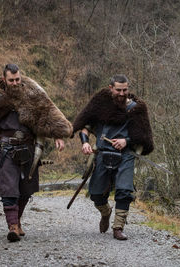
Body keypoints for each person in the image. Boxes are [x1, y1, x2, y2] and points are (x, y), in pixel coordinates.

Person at [0, 63, 72, 242]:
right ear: (4, 79)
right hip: (6, 148)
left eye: (18, 79)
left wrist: (58, 135)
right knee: (9, 190)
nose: (15, 83)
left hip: (29, 149)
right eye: (11, 80)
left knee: (25, 191)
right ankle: (13, 227)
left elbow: (46, 115)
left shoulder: (32, 94)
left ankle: (17, 222)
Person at [72, 74, 154, 240]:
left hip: (125, 155)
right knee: (95, 193)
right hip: (102, 154)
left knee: (124, 191)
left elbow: (144, 136)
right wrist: (85, 143)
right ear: (111, 88)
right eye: (118, 90)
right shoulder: (100, 105)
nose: (122, 93)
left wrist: (126, 141)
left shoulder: (136, 108)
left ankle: (118, 228)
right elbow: (85, 126)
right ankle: (106, 212)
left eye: (125, 90)